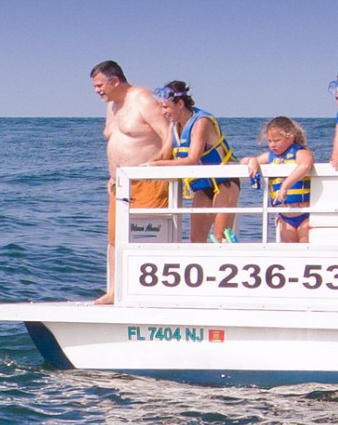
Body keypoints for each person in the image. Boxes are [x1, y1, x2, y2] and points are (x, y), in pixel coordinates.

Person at [89, 60, 172, 305]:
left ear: (115, 81)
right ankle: (114, 291)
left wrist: (157, 166)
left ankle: (154, 291)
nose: (97, 91)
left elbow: (169, 135)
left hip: (147, 181)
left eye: (100, 85)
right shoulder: (113, 106)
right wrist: (113, 176)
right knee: (115, 239)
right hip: (120, 185)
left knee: (147, 236)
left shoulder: (143, 99)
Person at [149, 80, 239, 243]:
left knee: (221, 238)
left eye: (165, 107)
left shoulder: (201, 122)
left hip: (224, 183)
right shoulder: (173, 126)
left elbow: (192, 159)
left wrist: (157, 165)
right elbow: (163, 156)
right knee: (196, 239)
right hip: (204, 186)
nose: (163, 112)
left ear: (180, 103)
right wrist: (140, 168)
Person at [241, 117, 314, 243]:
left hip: (304, 214)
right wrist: (251, 161)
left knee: (305, 248)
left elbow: (305, 165)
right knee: (289, 251)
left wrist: (285, 186)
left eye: (277, 140)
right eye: (269, 141)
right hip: (285, 216)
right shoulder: (270, 156)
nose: (272, 144)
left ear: (290, 138)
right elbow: (243, 161)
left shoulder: (300, 152)